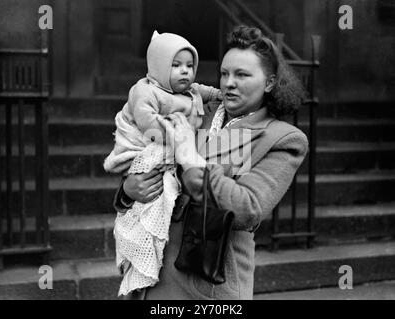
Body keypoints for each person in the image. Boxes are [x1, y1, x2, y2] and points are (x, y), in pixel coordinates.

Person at [114, 26, 308, 300]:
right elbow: (147, 152)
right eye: (225, 73)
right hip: (150, 278)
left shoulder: (281, 138)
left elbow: (247, 209)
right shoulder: (193, 108)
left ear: (269, 83)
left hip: (205, 288)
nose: (229, 83)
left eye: (242, 75)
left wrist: (190, 159)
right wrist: (128, 190)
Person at [103, 30, 222, 296]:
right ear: (159, 66)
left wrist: (218, 93)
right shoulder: (146, 90)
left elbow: (206, 91)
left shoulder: (194, 95)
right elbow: (145, 122)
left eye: (190, 66)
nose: (185, 72)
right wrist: (127, 191)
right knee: (144, 211)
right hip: (148, 147)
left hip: (186, 261)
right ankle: (140, 251)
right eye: (176, 65)